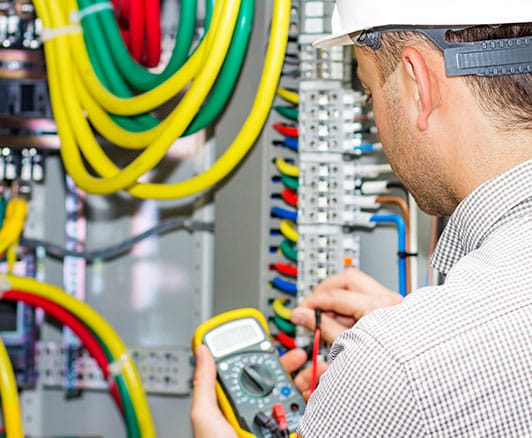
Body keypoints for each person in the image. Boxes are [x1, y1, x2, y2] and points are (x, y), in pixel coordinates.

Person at [191, 0, 532, 435]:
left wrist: (396, 351)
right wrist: (417, 325)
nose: (374, 115)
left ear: (418, 80)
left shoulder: (395, 366)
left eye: (368, 92)